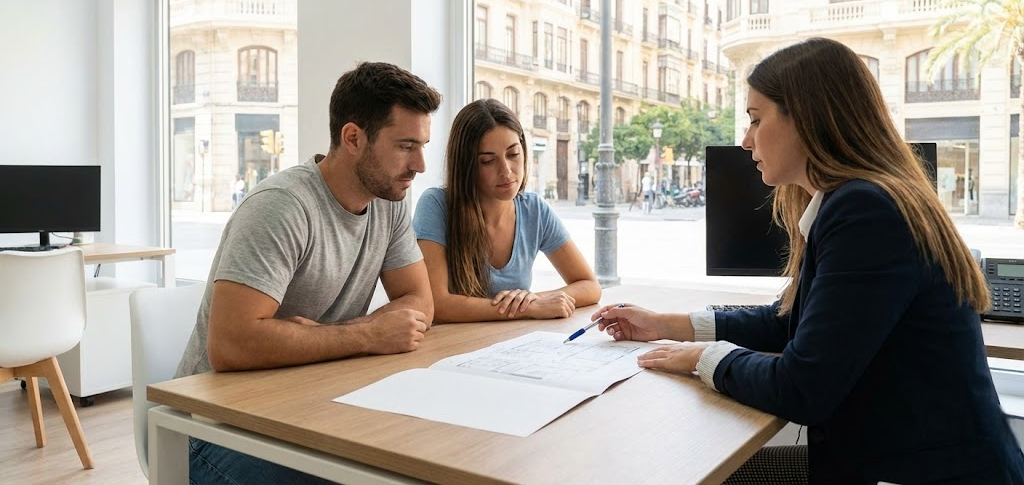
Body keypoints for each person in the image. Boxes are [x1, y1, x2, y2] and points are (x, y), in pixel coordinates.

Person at [592, 38, 1024, 484]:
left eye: (756, 120)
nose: (745, 141)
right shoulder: (858, 201)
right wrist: (666, 325)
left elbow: (802, 388)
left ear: (808, 118)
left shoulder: (866, 212)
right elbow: (790, 323)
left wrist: (701, 357)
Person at [176, 62, 443, 485]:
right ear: (353, 138)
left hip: (307, 405)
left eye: (423, 145)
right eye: (406, 145)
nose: (421, 164)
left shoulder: (389, 200)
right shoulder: (281, 207)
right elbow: (231, 344)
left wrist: (321, 335)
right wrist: (369, 334)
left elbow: (419, 302)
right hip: (208, 428)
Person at [413, 99, 600, 322]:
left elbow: (589, 286)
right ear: (466, 165)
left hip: (509, 345)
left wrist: (532, 300)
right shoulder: (436, 204)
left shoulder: (534, 209)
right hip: (452, 348)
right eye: (488, 161)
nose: (506, 171)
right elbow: (436, 304)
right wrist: (526, 308)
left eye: (513, 154)